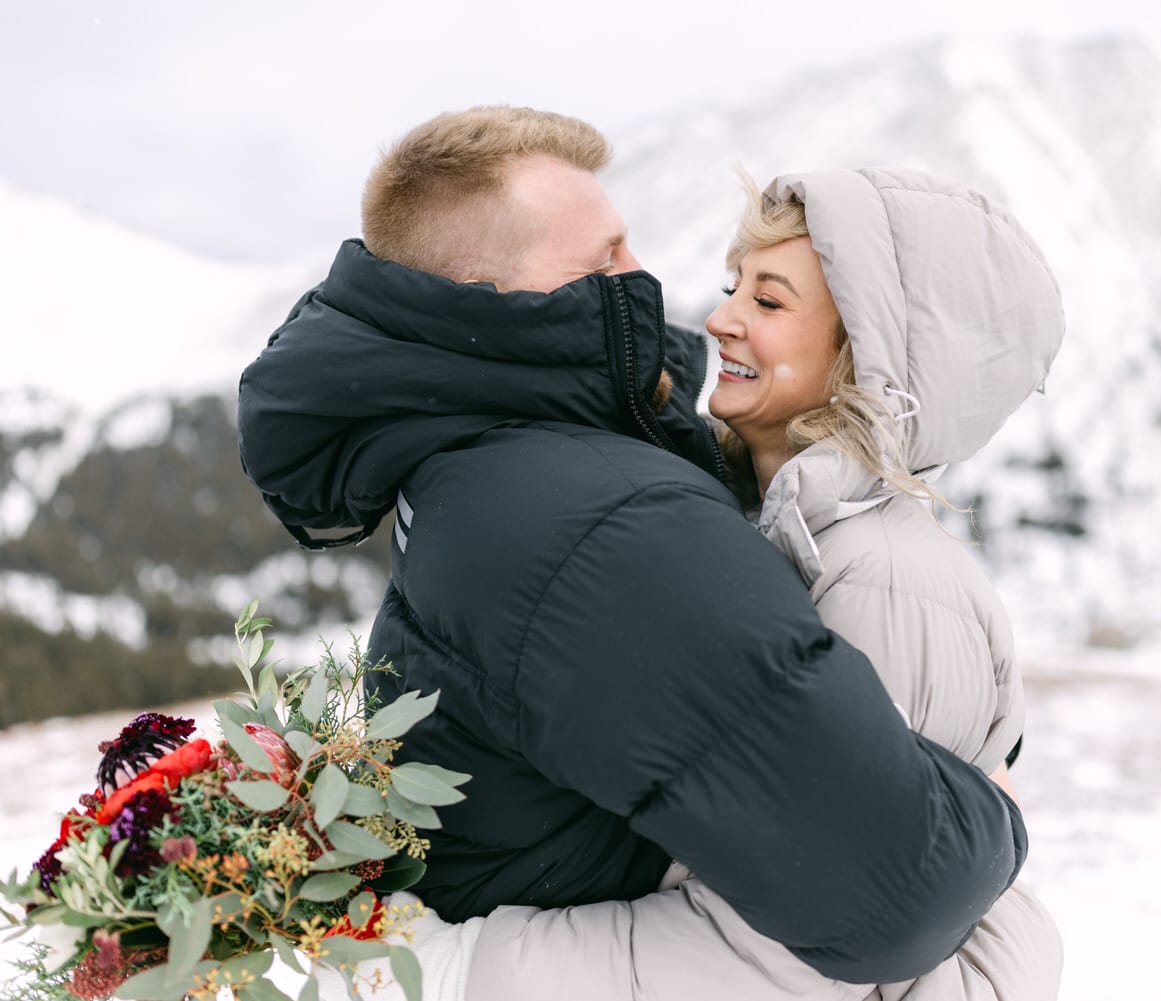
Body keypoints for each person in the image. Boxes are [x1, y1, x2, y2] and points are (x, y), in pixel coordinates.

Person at [237, 105, 1025, 991]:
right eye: (606, 257)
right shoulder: (600, 526)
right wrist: (996, 813)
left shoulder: (471, 463)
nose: (648, 280)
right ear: (489, 295)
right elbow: (899, 886)